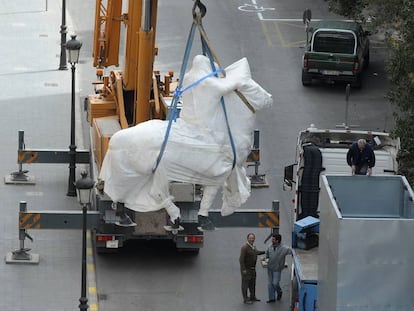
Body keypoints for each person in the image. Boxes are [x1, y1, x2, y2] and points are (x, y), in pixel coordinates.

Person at [265, 233, 292, 303]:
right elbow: (267, 255)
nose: (272, 241)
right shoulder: (269, 246)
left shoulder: (284, 248)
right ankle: (272, 298)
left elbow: (292, 251)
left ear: (277, 241)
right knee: (270, 284)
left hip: (277, 269)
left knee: (275, 283)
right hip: (270, 268)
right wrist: (266, 259)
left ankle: (279, 292)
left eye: (273, 239)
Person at [239, 233, 265, 304]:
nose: (252, 239)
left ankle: (252, 297)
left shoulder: (253, 246)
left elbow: (256, 252)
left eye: (253, 238)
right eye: (250, 238)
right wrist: (243, 269)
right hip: (247, 269)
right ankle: (245, 299)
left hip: (253, 269)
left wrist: (265, 252)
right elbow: (241, 259)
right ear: (247, 238)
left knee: (252, 284)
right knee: (245, 284)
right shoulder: (245, 247)